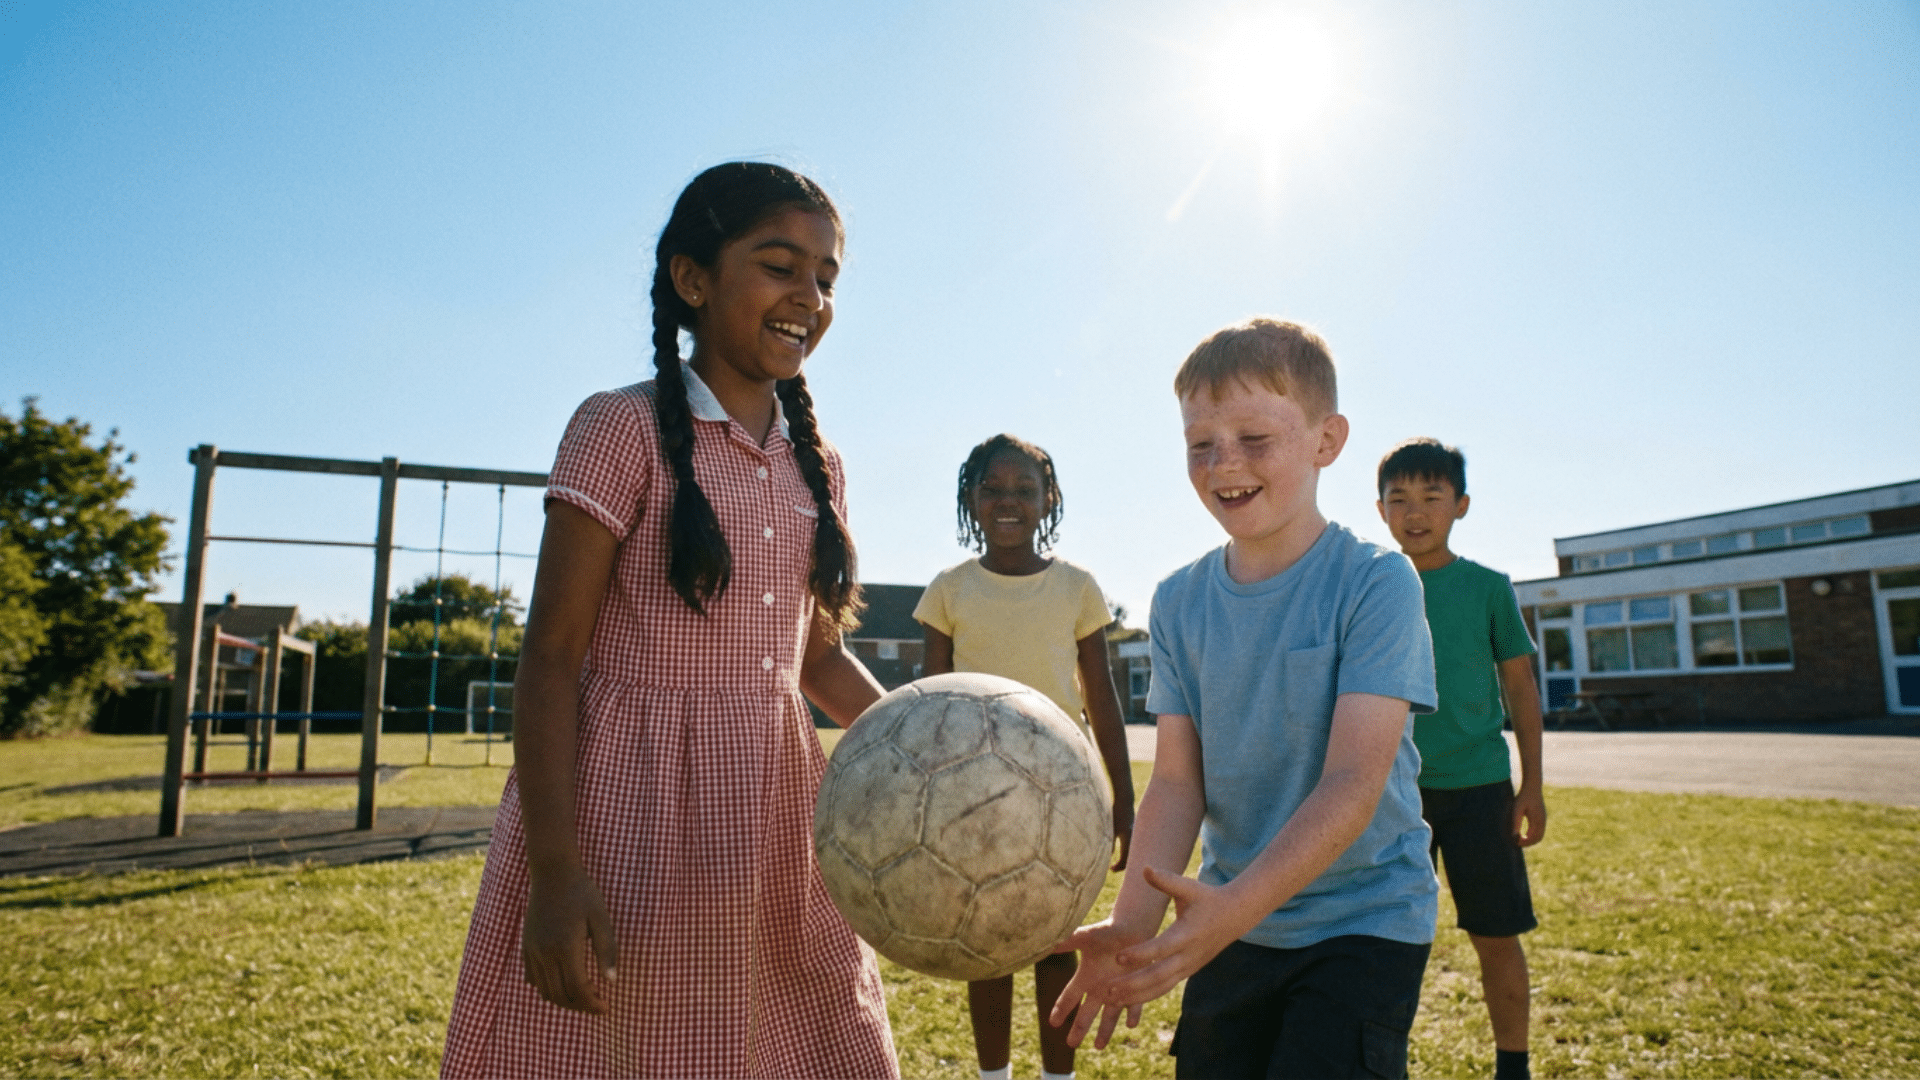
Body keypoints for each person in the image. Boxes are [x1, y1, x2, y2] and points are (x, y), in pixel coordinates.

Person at [440, 162, 898, 1079]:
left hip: (775, 822)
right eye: (779, 264)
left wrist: (925, 737)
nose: (808, 295)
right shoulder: (619, 429)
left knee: (810, 1039)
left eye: (827, 276)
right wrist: (558, 875)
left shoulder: (820, 466)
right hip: (630, 820)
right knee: (626, 1047)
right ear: (693, 279)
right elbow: (552, 660)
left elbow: (815, 659)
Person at [1049, 318, 1439, 1079]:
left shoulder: (1376, 583)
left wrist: (1229, 911)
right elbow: (1175, 781)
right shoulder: (1178, 601)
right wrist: (1134, 926)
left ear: (1327, 441)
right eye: (1201, 443)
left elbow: (1355, 783)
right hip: (1231, 923)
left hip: (1362, 921)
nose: (1224, 461)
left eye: (1254, 438)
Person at [913, 433, 1138, 1080]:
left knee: (1053, 946)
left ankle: (1055, 1076)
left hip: (1062, 794)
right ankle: (993, 1076)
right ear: (969, 499)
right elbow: (926, 709)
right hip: (973, 800)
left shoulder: (1075, 588)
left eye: (1024, 490)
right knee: (987, 947)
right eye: (992, 488)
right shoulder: (948, 591)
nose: (1007, 501)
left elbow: (1104, 701)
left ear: (1049, 501)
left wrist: (1124, 801)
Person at [1376, 437, 1545, 1080]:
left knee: (1496, 936)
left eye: (1431, 497)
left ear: (1461, 505)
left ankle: (1514, 1064)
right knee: (1383, 940)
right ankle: (1379, 1062)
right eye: (1399, 499)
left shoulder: (1487, 588)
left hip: (1480, 789)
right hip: (1388, 794)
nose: (1414, 512)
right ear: (1380, 508)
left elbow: (1521, 688)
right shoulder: (1367, 584)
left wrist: (1532, 785)